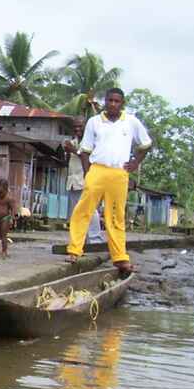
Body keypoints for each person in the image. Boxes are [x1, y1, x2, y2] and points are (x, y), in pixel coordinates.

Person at [65, 87, 152, 275]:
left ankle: (120, 257)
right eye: (110, 100)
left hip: (119, 173)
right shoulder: (94, 122)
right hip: (97, 170)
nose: (113, 104)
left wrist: (136, 162)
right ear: (105, 101)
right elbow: (85, 150)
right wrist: (88, 173)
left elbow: (145, 144)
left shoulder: (131, 122)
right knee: (83, 210)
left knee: (115, 216)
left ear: (122, 103)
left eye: (117, 101)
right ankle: (74, 250)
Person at [64, 117, 105, 246]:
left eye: (80, 126)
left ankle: (95, 240)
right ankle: (81, 241)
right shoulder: (73, 142)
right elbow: (69, 162)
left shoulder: (93, 142)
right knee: (76, 213)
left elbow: (88, 158)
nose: (77, 129)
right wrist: (67, 152)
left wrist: (73, 150)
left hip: (86, 179)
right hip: (73, 182)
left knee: (90, 211)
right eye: (75, 126)